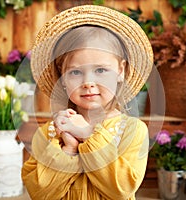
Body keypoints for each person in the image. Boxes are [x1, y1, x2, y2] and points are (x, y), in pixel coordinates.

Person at [21, 5, 153, 200]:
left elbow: (122, 189)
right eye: (75, 72)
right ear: (63, 80)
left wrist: (89, 135)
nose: (88, 83)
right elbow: (39, 193)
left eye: (100, 70)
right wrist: (69, 149)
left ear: (121, 71)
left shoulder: (133, 131)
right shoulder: (48, 134)